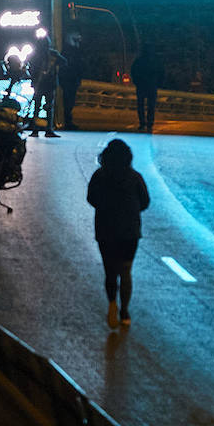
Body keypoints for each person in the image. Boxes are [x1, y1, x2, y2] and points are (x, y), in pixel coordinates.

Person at [86, 139, 150, 329]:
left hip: (105, 229)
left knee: (110, 271)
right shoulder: (135, 177)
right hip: (129, 232)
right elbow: (145, 202)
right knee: (126, 271)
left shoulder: (99, 176)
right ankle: (125, 311)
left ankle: (112, 303)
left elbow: (91, 198)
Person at [28, 36, 64, 137]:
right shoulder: (51, 54)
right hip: (48, 84)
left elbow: (31, 68)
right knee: (48, 108)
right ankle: (48, 130)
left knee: (37, 108)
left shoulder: (36, 54)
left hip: (41, 84)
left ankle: (36, 130)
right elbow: (64, 62)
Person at [130, 42, 163, 132]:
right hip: (151, 86)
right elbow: (161, 73)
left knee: (141, 105)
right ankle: (149, 123)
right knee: (151, 106)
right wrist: (159, 83)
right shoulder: (156, 61)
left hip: (142, 86)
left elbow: (133, 72)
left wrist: (137, 82)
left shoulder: (139, 61)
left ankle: (143, 123)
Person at [59, 33, 84, 130]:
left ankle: (68, 121)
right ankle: (67, 121)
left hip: (72, 80)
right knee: (68, 102)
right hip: (68, 80)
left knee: (70, 102)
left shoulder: (75, 51)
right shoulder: (69, 51)